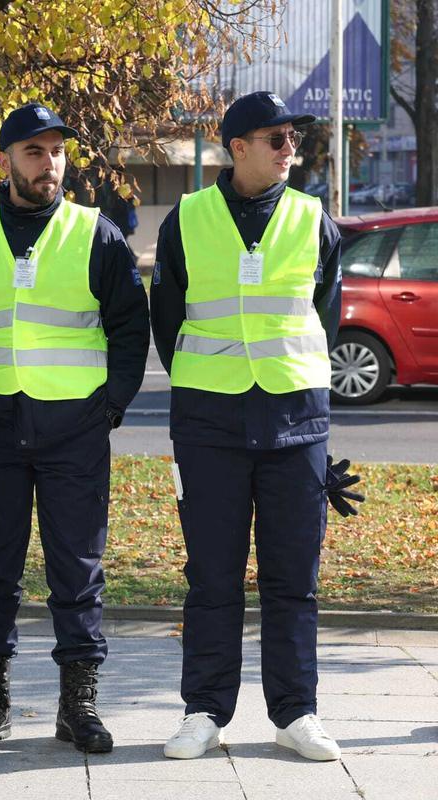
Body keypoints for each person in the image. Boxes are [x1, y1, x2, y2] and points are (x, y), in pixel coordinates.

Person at [0, 103, 150, 753]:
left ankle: (78, 706)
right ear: (4, 161)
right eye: (33, 151)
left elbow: (131, 328)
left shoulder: (96, 234)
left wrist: (109, 407)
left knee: (78, 571)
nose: (48, 163)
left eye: (55, 151)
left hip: (74, 429)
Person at [150, 91, 362, 762]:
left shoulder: (311, 218)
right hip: (208, 422)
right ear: (237, 146)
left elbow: (322, 318)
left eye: (292, 137)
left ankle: (296, 713)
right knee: (212, 577)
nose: (289, 147)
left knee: (293, 578)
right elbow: (168, 319)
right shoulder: (186, 220)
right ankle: (204, 712)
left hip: (296, 422)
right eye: (277, 137)